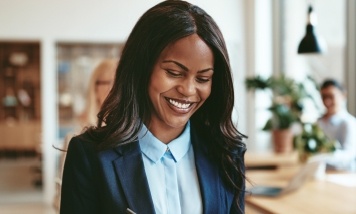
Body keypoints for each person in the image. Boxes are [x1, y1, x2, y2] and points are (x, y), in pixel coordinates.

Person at [60, 1, 247, 214]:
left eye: (203, 78)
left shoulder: (227, 154)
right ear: (142, 68)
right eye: (174, 73)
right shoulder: (90, 156)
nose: (188, 90)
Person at [53, 58, 117, 212]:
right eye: (110, 82)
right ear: (95, 88)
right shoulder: (77, 138)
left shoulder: (133, 133)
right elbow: (61, 196)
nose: (117, 88)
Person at [317, 78, 356, 170]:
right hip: (323, 174)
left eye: (331, 96)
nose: (327, 101)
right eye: (324, 97)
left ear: (343, 96)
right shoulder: (319, 122)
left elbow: (349, 155)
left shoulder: (349, 123)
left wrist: (324, 156)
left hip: (343, 175)